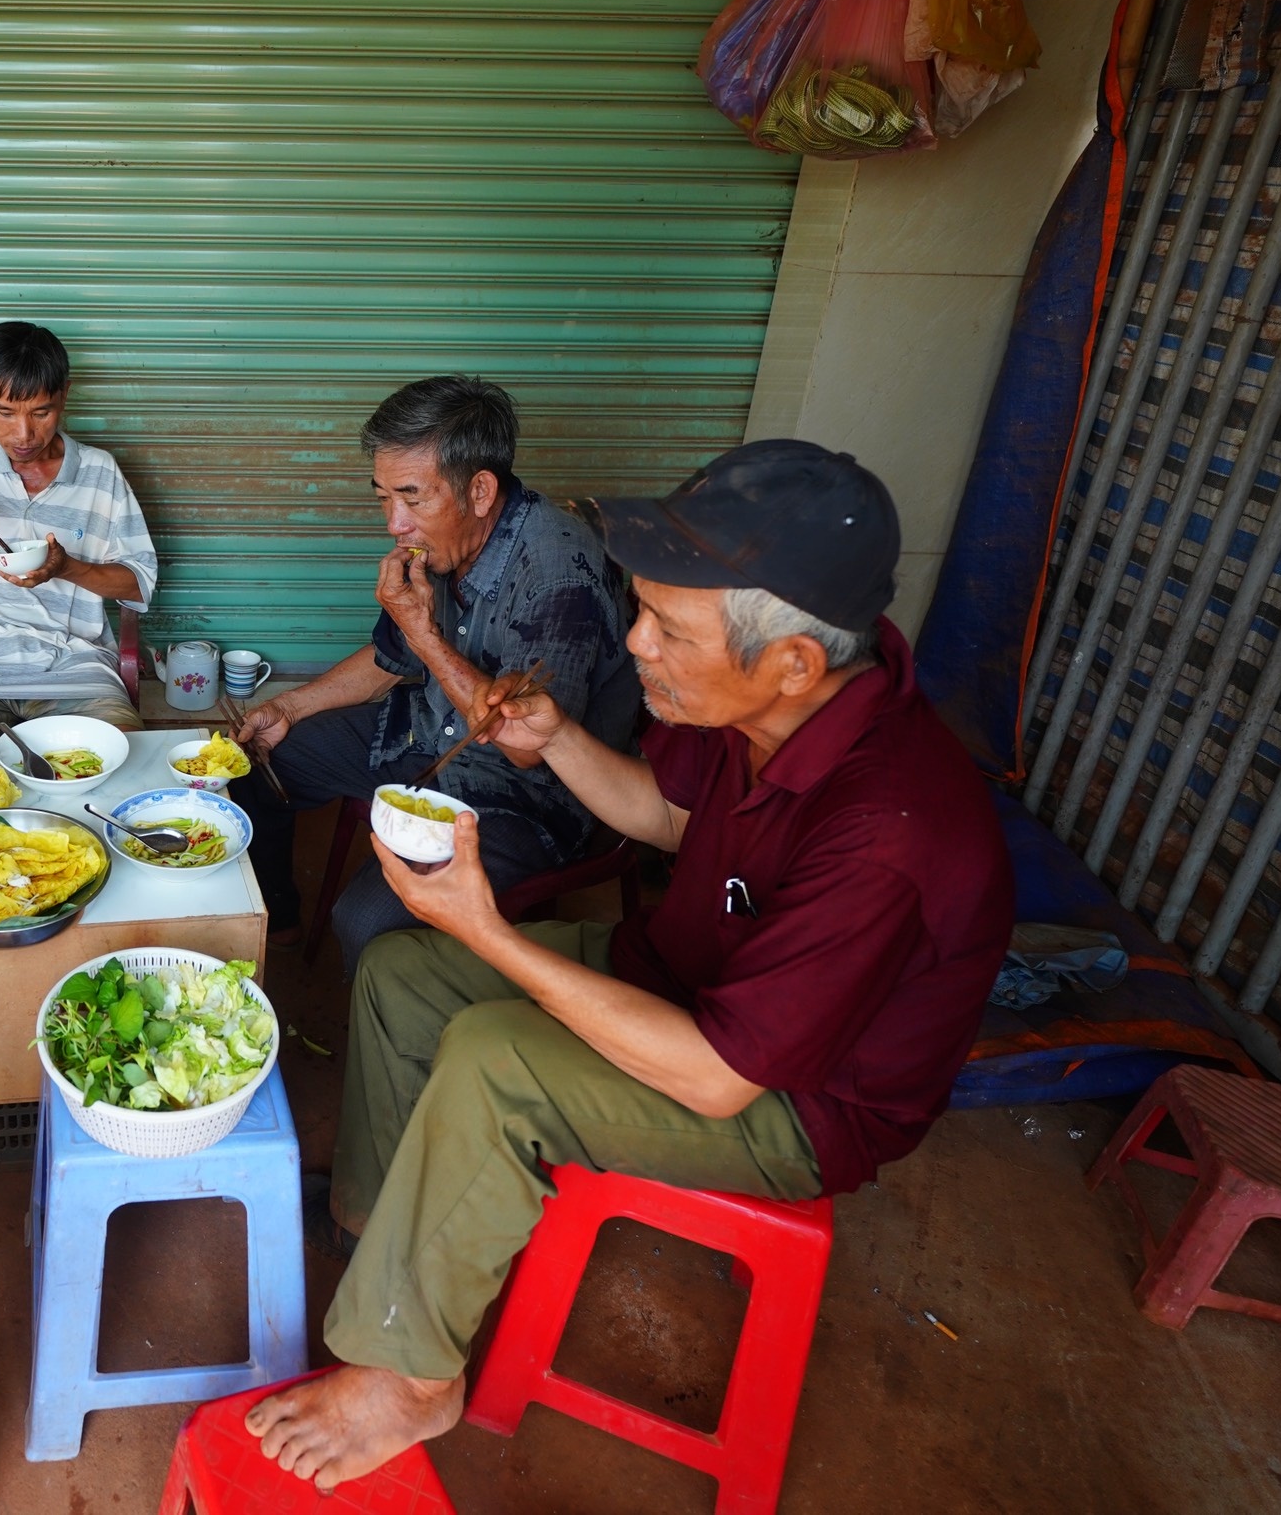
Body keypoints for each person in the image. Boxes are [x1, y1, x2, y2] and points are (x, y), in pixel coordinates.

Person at [245, 440, 1012, 1490]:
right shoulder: (756, 706)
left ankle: (410, 1374)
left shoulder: (891, 830)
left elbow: (716, 1075)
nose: (637, 642)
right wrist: (553, 736)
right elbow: (663, 814)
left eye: (669, 627)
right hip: (685, 971)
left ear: (791, 660)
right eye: (643, 609)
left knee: (492, 1056)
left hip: (792, 1097)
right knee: (404, 972)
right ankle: (377, 1225)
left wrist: (494, 929)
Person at [237, 376, 640, 970]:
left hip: (523, 795)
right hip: (425, 734)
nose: (395, 523)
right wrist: (291, 708)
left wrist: (423, 631)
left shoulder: (558, 576)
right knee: (252, 764)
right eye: (382, 497)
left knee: (368, 923)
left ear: (479, 491)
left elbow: (527, 748)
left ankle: (393, 1036)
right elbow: (390, 659)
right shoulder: (447, 546)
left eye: (412, 497)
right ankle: (279, 925)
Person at [0, 320, 158, 738]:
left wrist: (66, 568)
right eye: (4, 412)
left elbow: (139, 584)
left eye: (41, 412)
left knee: (123, 765)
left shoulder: (99, 473)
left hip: (75, 670)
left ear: (65, 396)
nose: (23, 434)